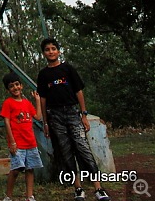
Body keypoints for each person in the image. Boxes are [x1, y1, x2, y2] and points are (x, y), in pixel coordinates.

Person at [37, 37, 111, 201]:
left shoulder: (68, 69)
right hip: (55, 115)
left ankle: (98, 188)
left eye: (53, 48)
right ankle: (78, 188)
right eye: (47, 49)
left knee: (83, 149)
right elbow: (42, 99)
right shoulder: (43, 74)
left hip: (72, 112)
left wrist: (83, 114)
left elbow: (79, 91)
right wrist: (46, 122)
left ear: (58, 51)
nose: (51, 52)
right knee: (66, 152)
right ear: (43, 53)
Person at [0, 71, 43, 201]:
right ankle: (8, 196)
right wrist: (12, 142)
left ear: (21, 86)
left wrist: (37, 101)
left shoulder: (26, 103)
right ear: (8, 90)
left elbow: (38, 116)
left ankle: (29, 196)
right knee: (16, 170)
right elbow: (6, 121)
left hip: (30, 142)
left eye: (17, 84)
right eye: (11, 86)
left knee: (30, 169)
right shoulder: (8, 103)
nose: (15, 88)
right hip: (18, 144)